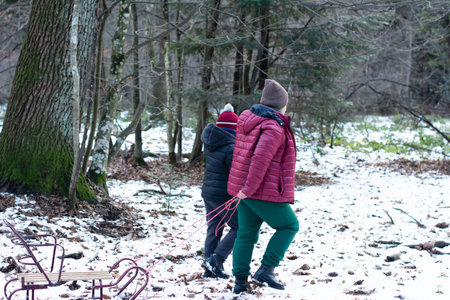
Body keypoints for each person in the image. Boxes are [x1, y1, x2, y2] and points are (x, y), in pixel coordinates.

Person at [227, 79, 299, 293]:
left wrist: (244, 189)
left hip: (245, 189)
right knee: (289, 225)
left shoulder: (250, 120)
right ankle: (266, 270)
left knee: (246, 233)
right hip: (259, 190)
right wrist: (249, 189)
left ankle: (240, 283)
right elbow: (259, 159)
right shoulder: (272, 126)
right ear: (279, 104)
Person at [201, 104, 239, 279]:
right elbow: (236, 174)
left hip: (208, 193)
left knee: (214, 229)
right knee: (240, 228)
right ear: (234, 130)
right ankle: (217, 260)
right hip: (223, 196)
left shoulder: (210, 143)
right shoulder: (230, 147)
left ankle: (209, 268)